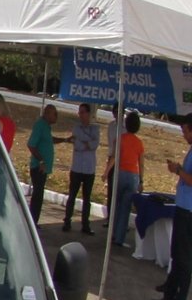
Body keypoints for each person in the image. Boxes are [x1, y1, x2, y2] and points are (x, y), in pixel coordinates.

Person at [152, 114, 192, 300]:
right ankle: (169, 296)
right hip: (183, 207)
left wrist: (178, 170)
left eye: (186, 131)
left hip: (189, 212)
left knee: (184, 259)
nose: (184, 135)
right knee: (176, 253)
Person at [62, 102, 100, 233]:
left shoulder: (95, 128)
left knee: (87, 198)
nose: (80, 115)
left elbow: (94, 144)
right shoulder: (76, 128)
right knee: (72, 195)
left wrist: (84, 141)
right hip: (77, 167)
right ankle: (67, 221)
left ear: (89, 113)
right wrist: (86, 142)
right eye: (79, 112)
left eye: (83, 112)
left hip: (89, 169)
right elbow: (78, 144)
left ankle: (85, 224)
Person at [109, 110, 144, 247]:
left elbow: (114, 157)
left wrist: (106, 172)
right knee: (125, 207)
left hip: (120, 173)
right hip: (133, 176)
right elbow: (141, 163)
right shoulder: (139, 143)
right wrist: (141, 180)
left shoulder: (120, 139)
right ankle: (120, 238)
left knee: (116, 205)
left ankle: (112, 233)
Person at [26, 103, 60, 223]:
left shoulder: (46, 127)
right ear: (47, 114)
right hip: (38, 167)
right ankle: (32, 221)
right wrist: (40, 160)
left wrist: (65, 140)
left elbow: (50, 140)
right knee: (37, 195)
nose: (56, 116)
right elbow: (31, 144)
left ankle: (34, 220)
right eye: (54, 113)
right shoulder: (40, 125)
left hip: (43, 168)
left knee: (39, 195)